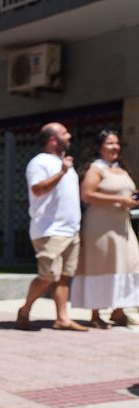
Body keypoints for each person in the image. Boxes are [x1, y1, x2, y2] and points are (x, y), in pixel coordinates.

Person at [16, 122, 88, 331]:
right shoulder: (39, 162)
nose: (70, 135)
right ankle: (25, 310)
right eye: (65, 132)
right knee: (48, 276)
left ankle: (62, 318)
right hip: (49, 230)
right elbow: (38, 189)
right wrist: (62, 172)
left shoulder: (65, 164)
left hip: (71, 230)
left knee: (64, 276)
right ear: (53, 139)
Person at [70, 130, 139, 327]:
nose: (114, 147)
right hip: (101, 228)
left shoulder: (121, 169)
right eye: (109, 143)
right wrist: (119, 199)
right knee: (100, 266)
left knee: (129, 264)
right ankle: (95, 314)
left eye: (117, 143)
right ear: (99, 147)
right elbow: (87, 195)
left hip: (122, 226)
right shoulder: (96, 169)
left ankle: (119, 311)